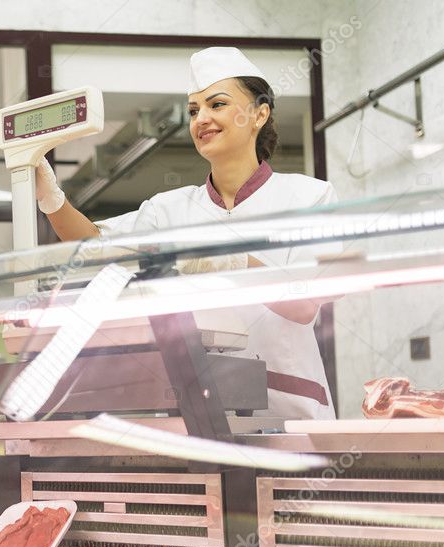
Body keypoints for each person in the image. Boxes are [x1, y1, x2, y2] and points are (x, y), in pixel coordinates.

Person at [34, 47, 338, 419]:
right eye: (194, 110)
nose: (202, 119)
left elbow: (305, 305)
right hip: (200, 413)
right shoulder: (168, 209)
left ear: (260, 113)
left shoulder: (310, 196)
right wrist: (52, 200)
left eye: (217, 104)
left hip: (292, 412)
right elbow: (96, 248)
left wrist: (231, 257)